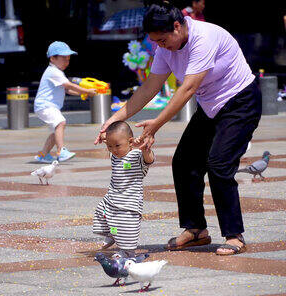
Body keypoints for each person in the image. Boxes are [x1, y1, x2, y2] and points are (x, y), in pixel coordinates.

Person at [95, 3, 262, 256]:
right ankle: (196, 230)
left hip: (240, 102)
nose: (161, 46)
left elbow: (188, 89)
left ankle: (234, 235)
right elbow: (149, 88)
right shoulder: (165, 49)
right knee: (184, 162)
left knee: (219, 165)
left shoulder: (203, 37)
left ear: (177, 26)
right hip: (211, 106)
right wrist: (113, 119)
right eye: (155, 42)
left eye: (162, 40)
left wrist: (156, 125)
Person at [92, 121, 154, 257]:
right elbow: (110, 139)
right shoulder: (115, 155)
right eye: (110, 146)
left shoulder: (137, 155)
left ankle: (127, 252)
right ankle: (113, 234)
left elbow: (149, 160)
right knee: (102, 215)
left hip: (129, 202)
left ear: (130, 142)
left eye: (117, 146)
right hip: (112, 198)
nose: (113, 149)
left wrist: (144, 149)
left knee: (127, 229)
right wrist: (105, 137)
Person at [33, 41, 97, 163]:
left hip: (47, 106)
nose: (67, 62)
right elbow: (68, 85)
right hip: (45, 105)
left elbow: (67, 90)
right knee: (61, 123)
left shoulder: (57, 72)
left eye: (68, 59)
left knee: (55, 132)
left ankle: (43, 155)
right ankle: (61, 151)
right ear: (52, 58)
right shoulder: (53, 71)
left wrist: (82, 93)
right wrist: (86, 90)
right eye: (64, 59)